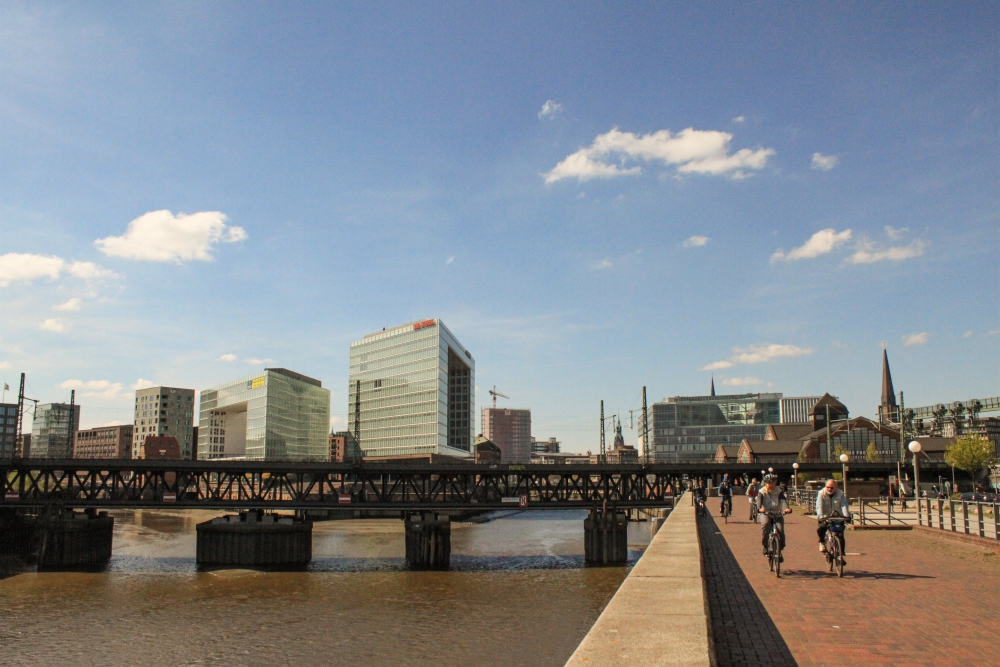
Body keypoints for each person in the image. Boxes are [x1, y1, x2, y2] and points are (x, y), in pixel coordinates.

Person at [816, 479, 851, 563]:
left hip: (837, 517)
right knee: (821, 529)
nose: (829, 489)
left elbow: (844, 505)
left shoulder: (840, 494)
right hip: (825, 517)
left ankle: (840, 555)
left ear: (836, 487)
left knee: (840, 535)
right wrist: (821, 517)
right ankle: (822, 542)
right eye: (827, 487)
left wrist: (846, 516)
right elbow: (819, 506)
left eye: (831, 487)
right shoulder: (821, 493)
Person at [756, 474, 791, 559]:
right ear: (765, 483)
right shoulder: (761, 491)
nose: (771, 485)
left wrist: (786, 508)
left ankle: (779, 550)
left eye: (773, 483)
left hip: (777, 513)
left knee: (780, 531)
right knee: (765, 524)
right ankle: (765, 546)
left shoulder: (779, 491)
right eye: (769, 483)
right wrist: (759, 509)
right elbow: (759, 502)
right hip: (766, 513)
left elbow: (783, 501)